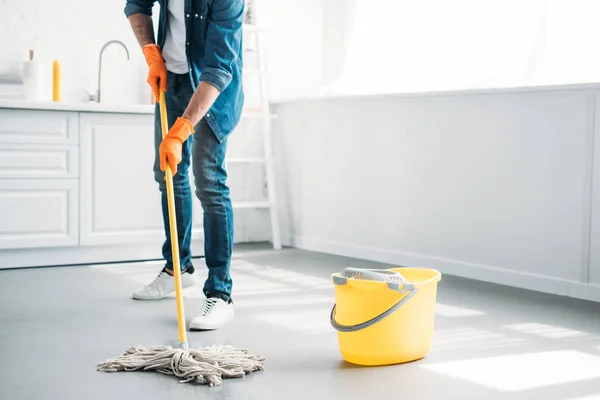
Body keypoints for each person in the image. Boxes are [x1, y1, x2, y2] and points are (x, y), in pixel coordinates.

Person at [124, 0, 244, 331]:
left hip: (212, 89)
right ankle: (178, 268)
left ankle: (221, 293)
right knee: (168, 174)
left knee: (209, 182)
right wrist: (151, 52)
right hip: (173, 80)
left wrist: (182, 130)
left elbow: (220, 68)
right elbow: (136, 5)